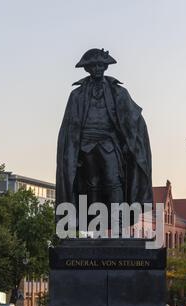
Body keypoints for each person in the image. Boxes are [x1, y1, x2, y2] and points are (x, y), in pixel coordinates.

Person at [56, 48, 153, 227]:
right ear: (87, 69)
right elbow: (69, 127)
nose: (98, 68)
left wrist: (130, 141)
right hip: (85, 146)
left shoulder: (118, 92)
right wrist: (72, 152)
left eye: (101, 65)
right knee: (91, 184)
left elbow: (133, 119)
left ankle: (118, 223)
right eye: (94, 65)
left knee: (113, 181)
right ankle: (95, 223)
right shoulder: (76, 95)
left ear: (106, 66)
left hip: (109, 143)